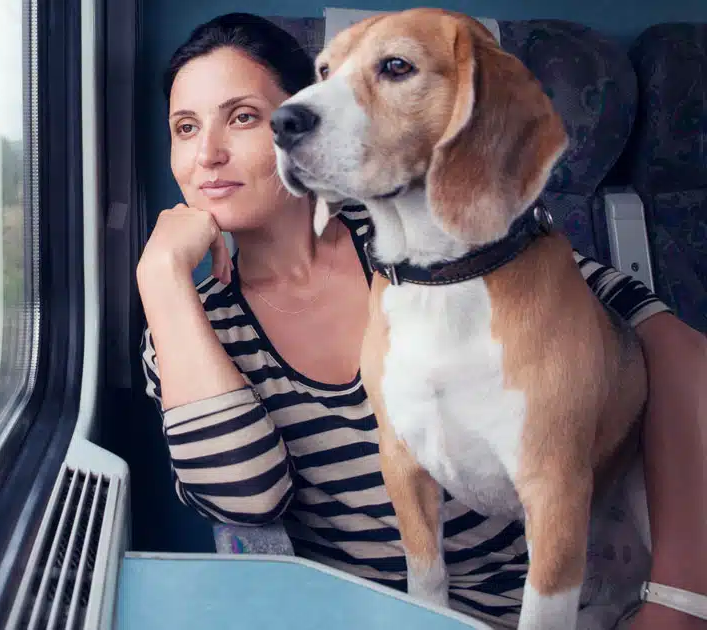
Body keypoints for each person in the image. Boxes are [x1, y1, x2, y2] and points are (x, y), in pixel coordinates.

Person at [137, 12, 707, 630]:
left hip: (537, 597)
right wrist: (162, 278)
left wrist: (679, 602)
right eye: (185, 128)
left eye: (244, 117)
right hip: (370, 615)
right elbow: (244, 500)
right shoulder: (187, 327)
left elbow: (671, 345)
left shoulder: (432, 237)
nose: (207, 155)